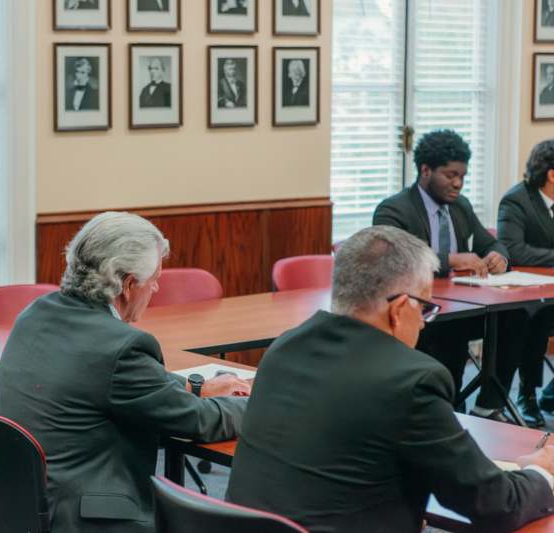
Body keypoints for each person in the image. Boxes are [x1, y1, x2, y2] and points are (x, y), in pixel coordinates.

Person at [227, 225, 554, 532]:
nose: (425, 324)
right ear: (399, 309)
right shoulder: (409, 380)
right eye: (425, 308)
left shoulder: (285, 347)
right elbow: (493, 505)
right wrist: (541, 472)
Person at [0, 212, 249, 533]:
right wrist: (265, 404)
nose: (156, 287)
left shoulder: (35, 314)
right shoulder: (122, 346)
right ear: (128, 284)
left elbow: (108, 378)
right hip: (85, 519)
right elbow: (198, 421)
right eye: (154, 277)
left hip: (19, 506)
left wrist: (198, 387)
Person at [373, 129, 517, 423]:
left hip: (463, 304)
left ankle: (488, 403)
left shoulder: (460, 206)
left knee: (516, 315)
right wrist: (450, 259)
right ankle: (441, 410)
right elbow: (394, 261)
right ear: (425, 170)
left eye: (463, 176)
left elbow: (491, 241)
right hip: (419, 308)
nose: (458, 184)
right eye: (450, 175)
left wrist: (498, 256)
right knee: (445, 339)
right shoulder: (394, 209)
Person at [498, 139, 554, 426]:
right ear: (552, 174)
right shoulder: (517, 200)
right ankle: (527, 395)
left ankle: (551, 395)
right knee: (537, 320)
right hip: (525, 298)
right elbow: (513, 249)